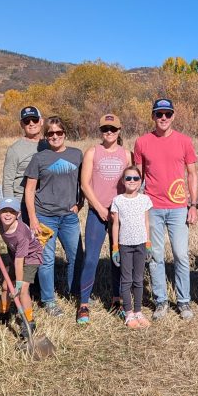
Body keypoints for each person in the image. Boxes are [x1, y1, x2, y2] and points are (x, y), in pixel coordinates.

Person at [132, 98, 198, 320]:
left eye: (167, 114)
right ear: (153, 116)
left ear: (173, 116)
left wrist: (193, 205)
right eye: (159, 114)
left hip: (179, 208)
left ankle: (184, 301)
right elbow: (137, 176)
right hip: (152, 208)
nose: (163, 118)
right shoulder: (142, 142)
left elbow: (192, 174)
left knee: (180, 255)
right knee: (156, 256)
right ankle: (161, 301)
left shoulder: (184, 141)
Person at [23, 116, 84, 318]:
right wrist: (33, 218)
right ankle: (48, 300)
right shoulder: (39, 158)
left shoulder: (77, 155)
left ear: (64, 134)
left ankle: (75, 292)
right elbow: (29, 190)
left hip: (68, 217)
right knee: (46, 260)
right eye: (50, 133)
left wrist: (80, 203)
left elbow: (83, 182)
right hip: (45, 217)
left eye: (59, 132)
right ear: (46, 136)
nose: (55, 136)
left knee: (76, 256)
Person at [78, 113, 131, 324]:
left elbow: (132, 182)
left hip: (119, 213)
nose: (109, 132)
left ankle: (117, 300)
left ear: (119, 131)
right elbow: (84, 184)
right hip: (97, 212)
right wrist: (99, 208)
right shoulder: (92, 152)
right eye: (105, 129)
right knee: (91, 258)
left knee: (117, 257)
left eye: (113, 129)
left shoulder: (126, 154)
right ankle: (83, 303)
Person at [111, 166, 154, 329]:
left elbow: (147, 222)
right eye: (128, 178)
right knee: (126, 279)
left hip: (141, 244)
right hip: (124, 245)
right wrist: (115, 247)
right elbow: (115, 225)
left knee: (138, 279)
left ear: (140, 181)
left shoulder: (145, 199)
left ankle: (138, 311)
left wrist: (148, 243)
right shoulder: (118, 200)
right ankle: (128, 313)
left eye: (135, 178)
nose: (132, 181)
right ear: (123, 181)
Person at [0, 197, 43, 328]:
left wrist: (19, 283)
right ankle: (3, 313)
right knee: (5, 286)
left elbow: (19, 261)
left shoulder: (20, 234)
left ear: (18, 214)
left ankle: (29, 321)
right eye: (4, 211)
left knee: (22, 290)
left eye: (12, 211)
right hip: (15, 254)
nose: (8, 214)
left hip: (31, 257)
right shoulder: (0, 220)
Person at [2, 106, 47, 201]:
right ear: (21, 124)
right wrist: (12, 207)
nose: (31, 124)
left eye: (35, 120)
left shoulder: (50, 145)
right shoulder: (14, 149)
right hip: (22, 201)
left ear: (41, 121)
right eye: (27, 121)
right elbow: (7, 182)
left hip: (46, 203)